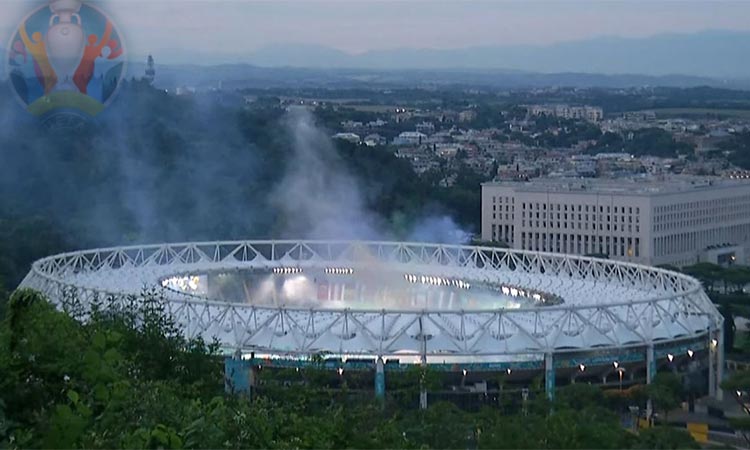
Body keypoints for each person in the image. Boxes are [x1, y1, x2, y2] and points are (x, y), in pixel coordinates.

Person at [73, 20, 113, 94]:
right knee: (80, 84)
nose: (91, 40)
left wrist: (109, 28)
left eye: (92, 38)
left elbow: (104, 40)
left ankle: (82, 96)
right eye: (91, 38)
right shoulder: (88, 48)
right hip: (82, 70)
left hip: (86, 71)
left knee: (82, 85)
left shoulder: (92, 49)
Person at [18, 23, 57, 94]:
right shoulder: (34, 47)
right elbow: (25, 39)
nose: (38, 36)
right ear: (34, 38)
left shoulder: (45, 44)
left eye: (38, 35)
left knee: (54, 80)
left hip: (52, 67)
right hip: (43, 69)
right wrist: (22, 28)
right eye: (36, 36)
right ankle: (47, 97)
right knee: (48, 82)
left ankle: (50, 95)